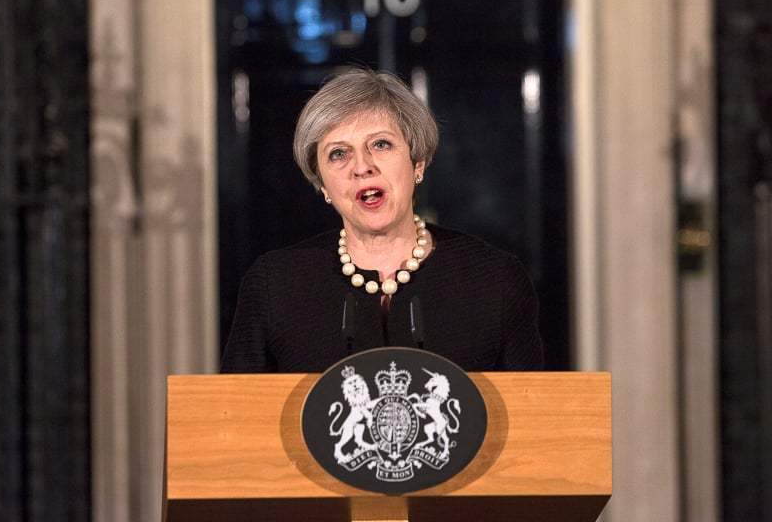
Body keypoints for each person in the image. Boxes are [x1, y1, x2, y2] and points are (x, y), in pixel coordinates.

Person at [220, 67, 544, 373]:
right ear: (321, 184)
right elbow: (230, 419)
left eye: (380, 144)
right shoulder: (274, 286)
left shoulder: (495, 281)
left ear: (417, 162)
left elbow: (534, 416)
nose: (362, 166)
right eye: (338, 153)